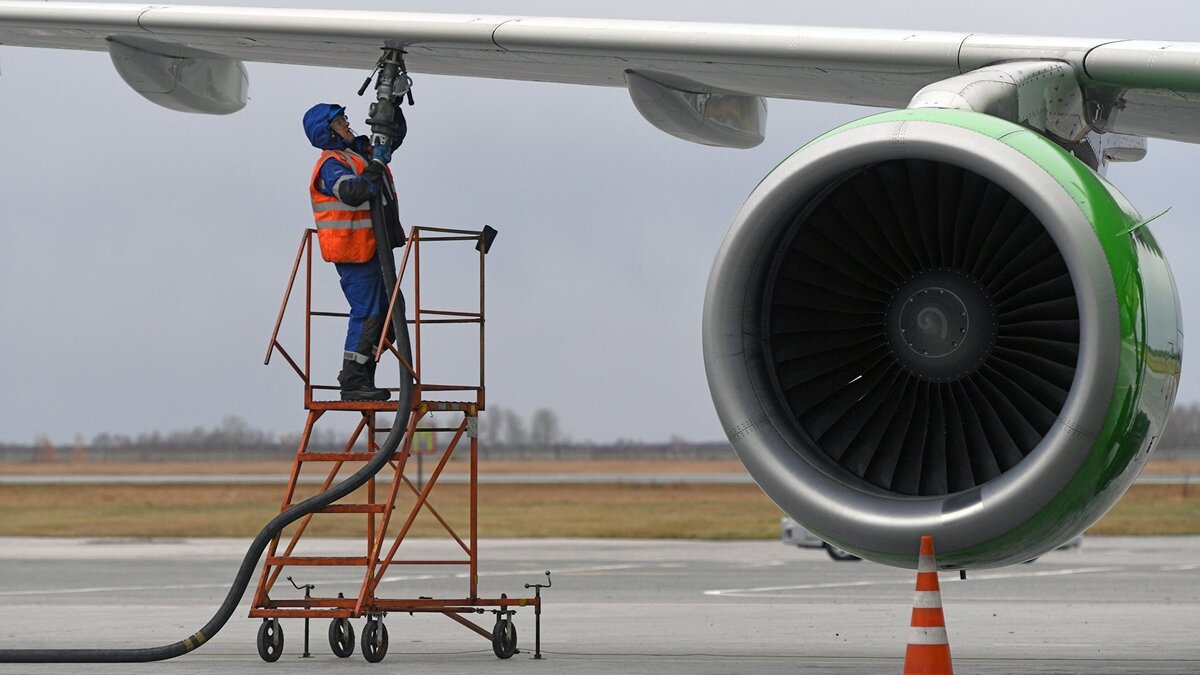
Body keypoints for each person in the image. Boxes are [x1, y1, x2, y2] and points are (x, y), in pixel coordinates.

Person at [302, 102, 407, 401]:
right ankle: (352, 381)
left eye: (345, 118)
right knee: (370, 312)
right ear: (328, 132)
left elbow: (392, 140)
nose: (347, 123)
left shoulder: (358, 154)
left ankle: (363, 375)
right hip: (355, 252)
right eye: (339, 122)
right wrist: (375, 168)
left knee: (392, 312)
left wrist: (393, 109)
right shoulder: (331, 164)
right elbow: (353, 192)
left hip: (375, 248)